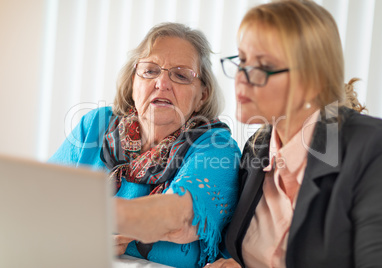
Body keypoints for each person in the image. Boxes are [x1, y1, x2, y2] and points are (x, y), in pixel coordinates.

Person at [207, 0, 382, 267]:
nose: (241, 76)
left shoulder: (378, 148)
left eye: (262, 66)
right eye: (242, 61)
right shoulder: (257, 147)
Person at [49, 22, 240, 268]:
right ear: (132, 82)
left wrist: (99, 219)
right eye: (150, 71)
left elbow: (180, 217)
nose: (162, 83)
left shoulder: (215, 146)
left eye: (181, 75)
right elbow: (41, 203)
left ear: (202, 95)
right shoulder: (95, 124)